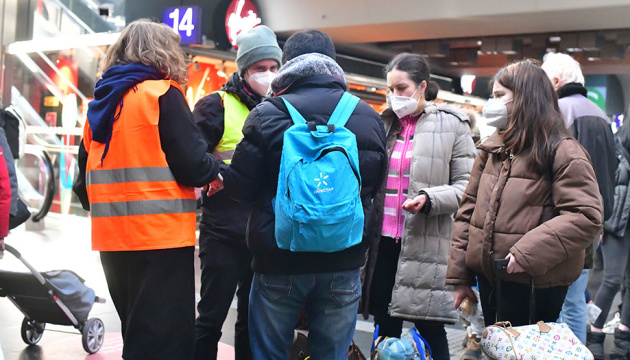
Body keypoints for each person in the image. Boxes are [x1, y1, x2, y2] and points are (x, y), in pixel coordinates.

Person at [217, 29, 387, 359]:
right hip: (344, 259)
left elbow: (240, 188)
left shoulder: (267, 114)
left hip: (279, 258)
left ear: (287, 65)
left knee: (271, 353)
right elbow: (374, 186)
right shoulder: (367, 117)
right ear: (333, 64)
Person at [72, 19, 220, 360]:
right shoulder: (162, 94)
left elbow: (83, 181)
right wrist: (218, 171)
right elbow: (193, 164)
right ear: (164, 52)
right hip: (160, 238)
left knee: (136, 332)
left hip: (112, 240)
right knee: (164, 341)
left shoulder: (101, 103)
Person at [446, 59, 603, 329]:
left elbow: (585, 216)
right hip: (491, 278)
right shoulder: (492, 149)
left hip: (535, 282)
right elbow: (468, 213)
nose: (491, 103)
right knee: (499, 348)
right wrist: (460, 277)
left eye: (499, 95)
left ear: (526, 98)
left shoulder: (563, 151)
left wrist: (527, 253)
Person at [358, 52, 476, 360]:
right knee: (385, 328)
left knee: (430, 329)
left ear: (422, 86)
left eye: (402, 88)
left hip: (428, 247)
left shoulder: (453, 125)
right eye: (390, 89)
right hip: (381, 245)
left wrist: (430, 198)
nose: (394, 96)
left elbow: (469, 188)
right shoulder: (382, 125)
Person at [192, 25, 281, 360]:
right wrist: (223, 173)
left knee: (252, 322)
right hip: (223, 232)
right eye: (261, 69)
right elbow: (191, 156)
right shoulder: (215, 106)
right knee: (211, 318)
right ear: (244, 69)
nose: (268, 75)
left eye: (274, 68)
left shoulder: (282, 108)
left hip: (262, 233)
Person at [541, 52, 617, 345]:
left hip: (560, 221)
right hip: (592, 221)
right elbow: (609, 172)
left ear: (556, 81)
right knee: (575, 301)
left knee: (556, 303)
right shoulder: (598, 113)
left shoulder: (558, 111)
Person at [586, 116, 630, 360]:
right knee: (612, 280)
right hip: (615, 224)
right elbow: (603, 186)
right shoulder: (617, 148)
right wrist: (601, 224)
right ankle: (594, 332)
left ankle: (623, 337)